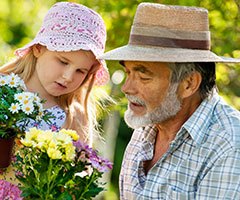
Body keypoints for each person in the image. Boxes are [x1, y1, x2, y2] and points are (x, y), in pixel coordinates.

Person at [100, 2, 240, 199]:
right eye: (128, 72)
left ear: (189, 84)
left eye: (144, 76)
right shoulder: (146, 128)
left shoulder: (229, 145)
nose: (127, 88)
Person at [0, 2, 109, 184]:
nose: (68, 77)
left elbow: (77, 179)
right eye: (63, 62)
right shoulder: (4, 87)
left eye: (80, 71)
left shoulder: (74, 117)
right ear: (38, 49)